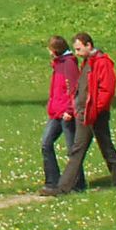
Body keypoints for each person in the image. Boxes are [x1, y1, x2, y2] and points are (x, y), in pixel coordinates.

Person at [52, 31, 116, 195]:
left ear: (88, 45)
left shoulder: (102, 63)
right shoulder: (87, 62)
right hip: (84, 113)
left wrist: (96, 109)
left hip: (95, 113)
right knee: (80, 149)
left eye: (78, 49)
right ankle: (64, 187)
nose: (76, 53)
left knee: (103, 147)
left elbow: (107, 89)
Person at [38, 35, 79, 196]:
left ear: (54, 50)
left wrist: (70, 110)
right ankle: (52, 182)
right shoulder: (58, 64)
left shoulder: (68, 64)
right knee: (46, 144)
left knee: (72, 150)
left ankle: (77, 183)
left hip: (66, 114)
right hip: (56, 112)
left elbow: (74, 89)